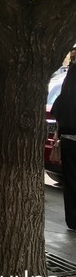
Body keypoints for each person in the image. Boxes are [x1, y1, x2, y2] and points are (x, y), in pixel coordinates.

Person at [51, 64, 76, 230]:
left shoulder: (63, 97)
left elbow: (56, 115)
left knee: (71, 181)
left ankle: (73, 220)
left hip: (68, 143)